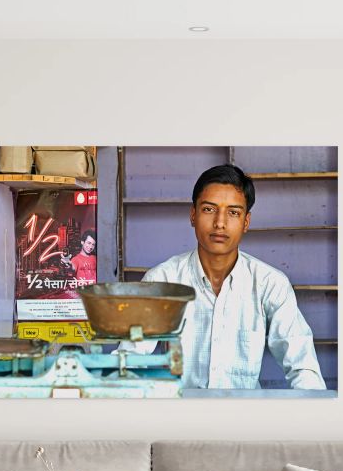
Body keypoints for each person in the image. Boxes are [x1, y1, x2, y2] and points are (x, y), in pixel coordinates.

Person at [127, 164, 325, 390]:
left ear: (246, 222)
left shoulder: (270, 284)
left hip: (246, 420)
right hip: (180, 417)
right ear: (193, 215)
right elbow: (131, 359)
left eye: (233, 212)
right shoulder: (162, 280)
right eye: (209, 209)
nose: (220, 223)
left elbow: (303, 368)